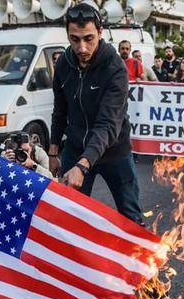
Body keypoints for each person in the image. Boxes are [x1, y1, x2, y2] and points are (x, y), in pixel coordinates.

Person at [49, 2, 144, 225]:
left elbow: (107, 125)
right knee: (70, 217)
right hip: (75, 148)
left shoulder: (116, 68)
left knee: (131, 217)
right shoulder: (63, 63)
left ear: (100, 33)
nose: (82, 48)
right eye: (75, 39)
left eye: (88, 38)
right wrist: (53, 152)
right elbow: (59, 111)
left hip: (114, 151)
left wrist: (83, 165)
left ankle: (141, 259)